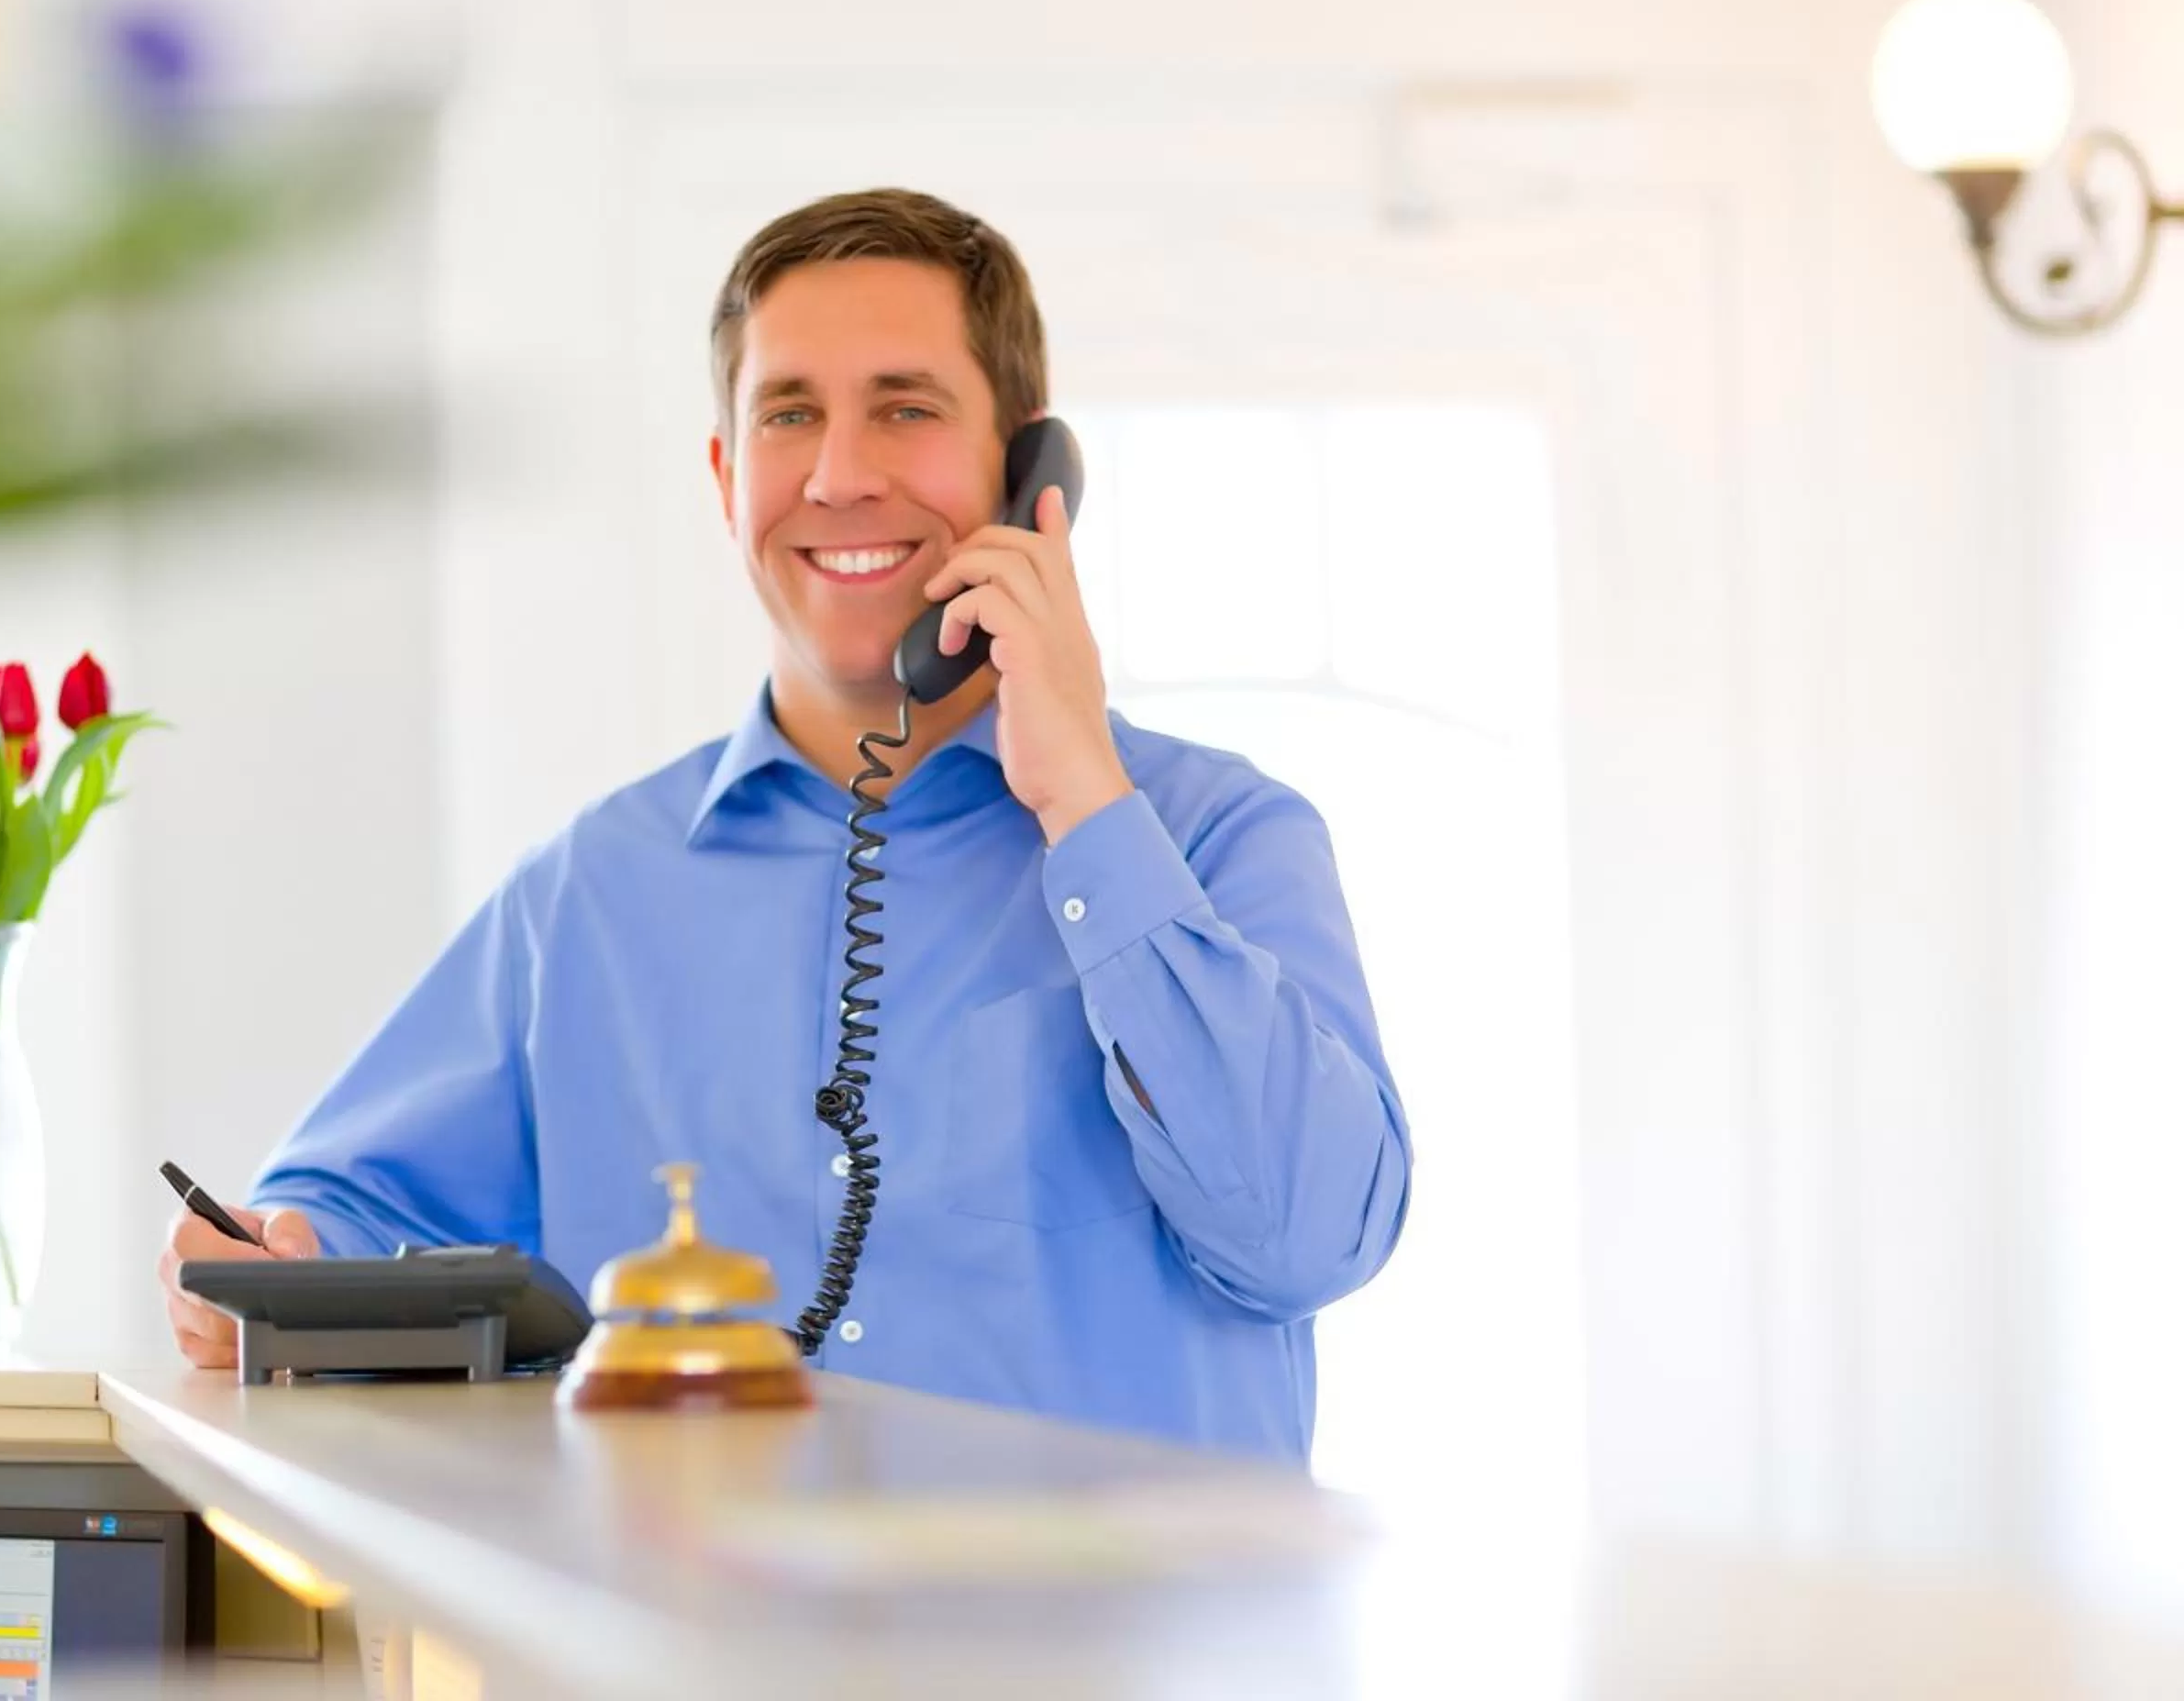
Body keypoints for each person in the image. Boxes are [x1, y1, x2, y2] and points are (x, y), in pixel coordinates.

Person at [161, 189, 1411, 1460]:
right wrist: (275, 1258)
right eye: (791, 414)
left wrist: (1085, 799)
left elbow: (1309, 1239)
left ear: (1031, 478)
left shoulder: (1220, 838)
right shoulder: (594, 889)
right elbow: (345, 1206)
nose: (840, 475)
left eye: (906, 408)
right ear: (725, 474)